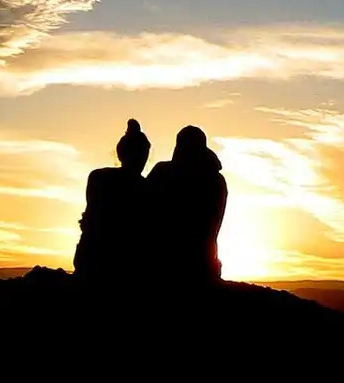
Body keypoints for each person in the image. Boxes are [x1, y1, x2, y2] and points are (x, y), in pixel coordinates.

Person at [147, 124, 228, 286]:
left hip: (167, 265)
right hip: (203, 265)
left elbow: (143, 211)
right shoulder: (216, 180)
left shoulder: (163, 172)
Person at [73, 119, 151, 285]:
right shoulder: (147, 187)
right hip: (117, 265)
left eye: (144, 154)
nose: (142, 159)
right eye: (140, 154)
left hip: (96, 261)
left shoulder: (99, 177)